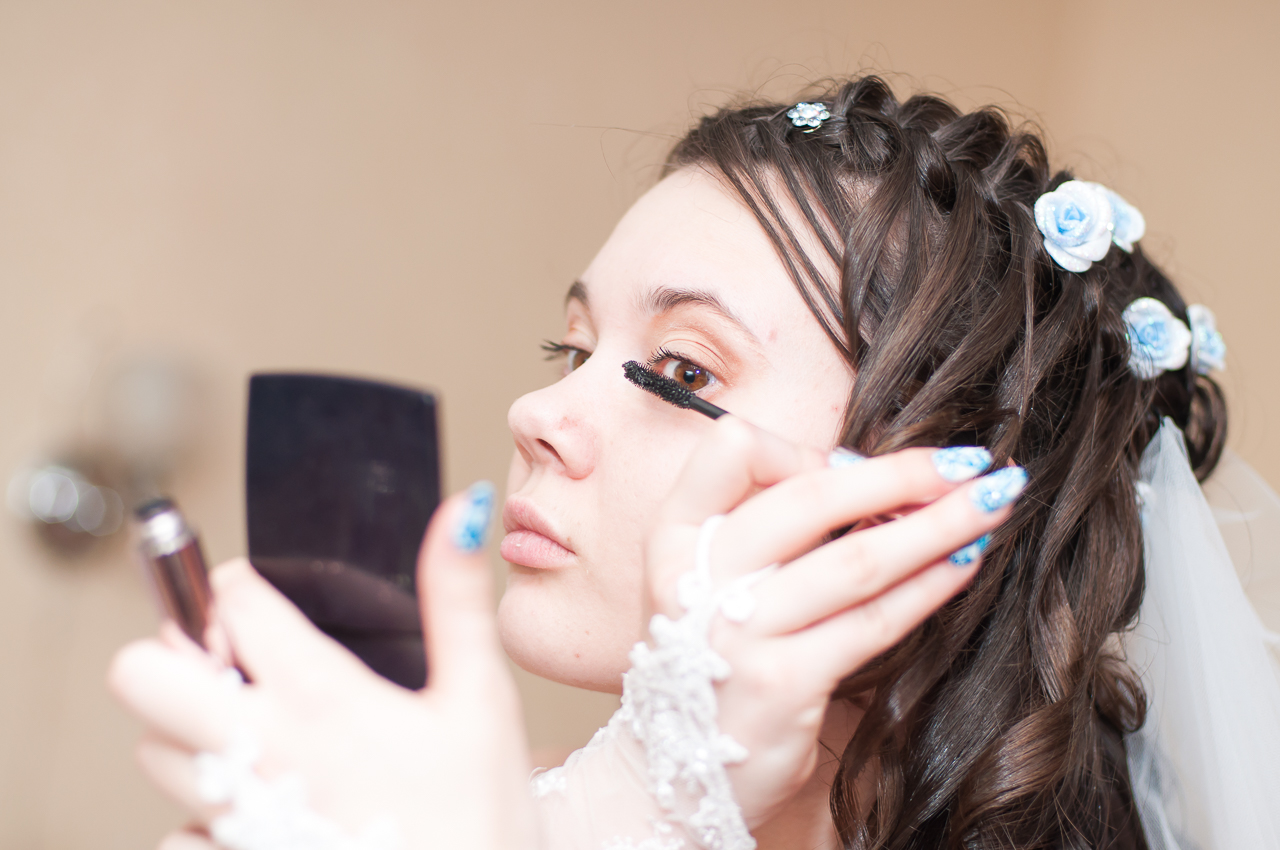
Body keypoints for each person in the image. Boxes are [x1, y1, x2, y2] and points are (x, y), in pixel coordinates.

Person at [108, 75, 1276, 850]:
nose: (534, 411)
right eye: (570, 348)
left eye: (680, 369)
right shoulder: (484, 798)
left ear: (929, 493)